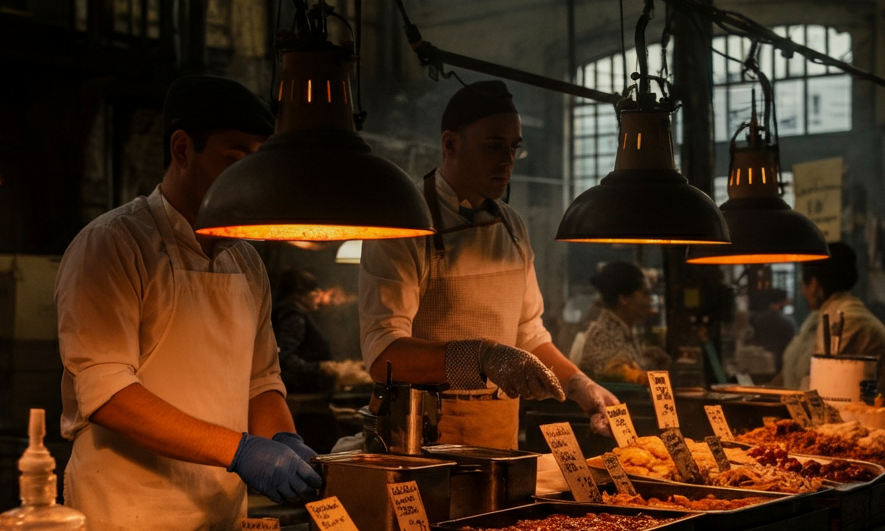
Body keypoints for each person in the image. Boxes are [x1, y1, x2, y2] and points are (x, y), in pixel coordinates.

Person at [55, 76, 321, 531]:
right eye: (235, 159)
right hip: (126, 522)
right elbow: (107, 393)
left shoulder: (246, 259)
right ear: (182, 149)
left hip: (221, 518)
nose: (249, 179)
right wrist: (241, 451)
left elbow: (261, 381)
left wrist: (283, 438)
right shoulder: (113, 243)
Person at [358, 80, 617, 450]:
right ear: (450, 144)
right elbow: (385, 354)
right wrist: (481, 356)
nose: (507, 160)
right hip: (420, 434)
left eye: (514, 148)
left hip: (499, 433)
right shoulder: (404, 222)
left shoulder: (512, 226)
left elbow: (528, 335)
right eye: (493, 146)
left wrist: (579, 385)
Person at [782, 242, 885, 389]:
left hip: (863, 409)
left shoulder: (843, 319)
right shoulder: (829, 314)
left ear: (814, 285)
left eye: (803, 285)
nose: (802, 292)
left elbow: (825, 383)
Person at [579, 261, 669, 384]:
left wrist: (650, 361)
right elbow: (613, 374)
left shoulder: (623, 331)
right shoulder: (603, 335)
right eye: (645, 294)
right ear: (624, 299)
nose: (650, 301)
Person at [272, 269, 335, 394]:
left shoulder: (287, 314)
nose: (318, 295)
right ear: (298, 294)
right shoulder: (293, 317)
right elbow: (282, 356)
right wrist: (319, 368)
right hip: (299, 392)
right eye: (313, 291)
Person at [750, 288, 795, 375]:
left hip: (760, 363)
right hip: (780, 364)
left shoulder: (758, 319)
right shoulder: (787, 323)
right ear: (782, 302)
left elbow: (754, 340)